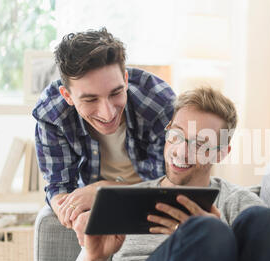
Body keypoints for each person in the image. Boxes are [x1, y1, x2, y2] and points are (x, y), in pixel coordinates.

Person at [60, 87, 270, 261]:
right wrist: (94, 260)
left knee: (268, 221)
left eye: (200, 144)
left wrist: (214, 243)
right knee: (208, 230)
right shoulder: (122, 201)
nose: (181, 152)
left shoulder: (240, 204)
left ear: (221, 153)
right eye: (177, 135)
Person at [33, 28, 175, 229]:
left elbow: (170, 187)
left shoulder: (160, 103)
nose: (108, 114)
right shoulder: (51, 114)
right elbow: (59, 188)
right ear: (67, 96)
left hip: (151, 211)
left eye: (116, 93)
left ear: (125, 80)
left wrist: (105, 191)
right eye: (90, 99)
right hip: (94, 208)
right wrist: (74, 216)